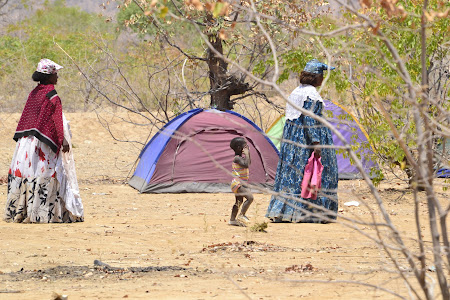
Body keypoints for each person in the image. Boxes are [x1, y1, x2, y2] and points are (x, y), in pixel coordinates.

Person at [4, 58, 84, 223]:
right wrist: (62, 141)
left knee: (29, 175)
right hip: (42, 146)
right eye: (56, 74)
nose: (57, 77)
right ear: (48, 77)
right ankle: (43, 214)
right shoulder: (52, 95)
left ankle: (21, 212)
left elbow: (30, 118)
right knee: (47, 174)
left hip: (26, 144)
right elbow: (56, 121)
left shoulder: (34, 93)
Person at [265, 59, 338, 223]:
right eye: (322, 75)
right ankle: (314, 213)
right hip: (307, 141)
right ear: (316, 76)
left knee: (292, 173)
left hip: (292, 141)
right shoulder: (310, 95)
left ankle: (284, 211)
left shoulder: (296, 92)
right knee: (318, 173)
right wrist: (316, 143)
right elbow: (309, 119)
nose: (322, 78)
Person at [229, 137, 253, 226]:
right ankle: (242, 215)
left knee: (238, 202)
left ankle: (232, 219)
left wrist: (248, 154)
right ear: (239, 148)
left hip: (239, 184)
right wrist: (247, 154)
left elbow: (248, 162)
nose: (247, 147)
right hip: (238, 184)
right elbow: (246, 165)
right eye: (245, 146)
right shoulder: (237, 158)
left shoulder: (240, 158)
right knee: (250, 198)